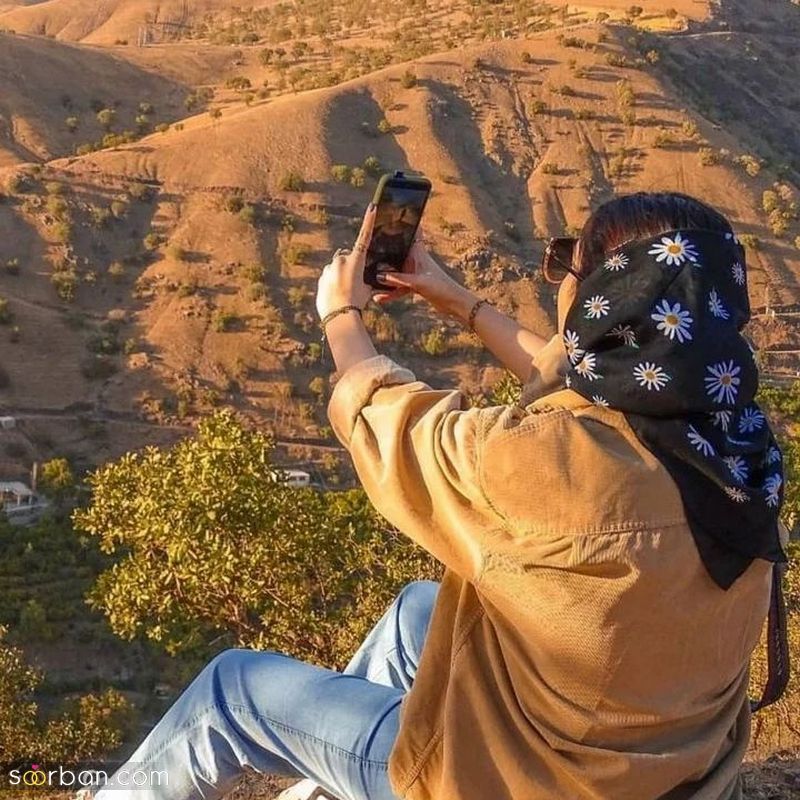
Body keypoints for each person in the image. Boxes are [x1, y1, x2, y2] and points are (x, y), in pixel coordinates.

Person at [88, 192, 788, 800]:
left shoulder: (553, 466)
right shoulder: (737, 443)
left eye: (567, 267)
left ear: (615, 294)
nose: (559, 285)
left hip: (521, 785)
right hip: (666, 772)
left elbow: (394, 423)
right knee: (418, 612)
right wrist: (457, 300)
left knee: (229, 690)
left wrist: (342, 315)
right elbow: (592, 383)